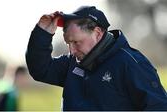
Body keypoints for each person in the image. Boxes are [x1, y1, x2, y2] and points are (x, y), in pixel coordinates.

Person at [26, 6, 167, 110]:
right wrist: (42, 33)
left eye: (76, 42)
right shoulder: (72, 62)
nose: (72, 50)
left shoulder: (130, 62)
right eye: (68, 43)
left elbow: (158, 107)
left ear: (98, 33)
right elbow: (40, 69)